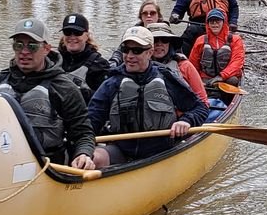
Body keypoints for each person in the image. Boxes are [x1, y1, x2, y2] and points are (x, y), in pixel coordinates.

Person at [0, 18, 96, 171]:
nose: (24, 52)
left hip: (47, 168)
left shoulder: (64, 88)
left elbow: (83, 133)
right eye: (18, 45)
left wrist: (83, 154)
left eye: (32, 46)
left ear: (46, 48)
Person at [88, 24, 209, 168]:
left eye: (137, 51)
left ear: (149, 52)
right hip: (123, 148)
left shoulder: (165, 78)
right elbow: (91, 120)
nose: (130, 56)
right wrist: (83, 150)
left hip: (161, 149)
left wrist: (186, 121)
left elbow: (200, 108)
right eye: (126, 50)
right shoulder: (112, 83)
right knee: (95, 158)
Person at [189, 8, 245, 98]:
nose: (214, 24)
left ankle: (225, 101)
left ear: (224, 22)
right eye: (211, 21)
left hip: (226, 78)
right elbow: (193, 64)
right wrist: (196, 80)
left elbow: (237, 62)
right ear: (208, 24)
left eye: (217, 21)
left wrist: (221, 76)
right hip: (206, 78)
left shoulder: (235, 40)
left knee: (233, 81)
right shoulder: (201, 40)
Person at [149, 22, 210, 106]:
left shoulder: (185, 66)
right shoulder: (138, 67)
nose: (159, 44)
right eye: (155, 40)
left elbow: (203, 101)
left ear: (170, 43)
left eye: (164, 40)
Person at [56, 12, 108, 99]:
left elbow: (106, 100)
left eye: (77, 33)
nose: (72, 37)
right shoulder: (53, 60)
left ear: (87, 36)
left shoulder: (99, 65)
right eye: (67, 32)